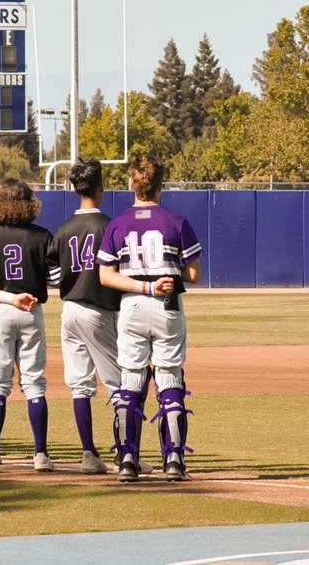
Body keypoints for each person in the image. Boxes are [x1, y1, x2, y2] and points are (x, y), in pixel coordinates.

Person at [97, 155, 201, 483]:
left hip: (134, 303)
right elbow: (194, 274)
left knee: (131, 381)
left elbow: (105, 276)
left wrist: (143, 285)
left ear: (131, 184)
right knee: (169, 378)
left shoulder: (118, 223)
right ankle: (174, 461)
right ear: (161, 186)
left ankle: (127, 459)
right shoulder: (177, 221)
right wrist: (168, 279)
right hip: (168, 304)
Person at [0, 178, 61, 474]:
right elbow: (56, 279)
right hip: (31, 310)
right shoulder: (42, 235)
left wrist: (8, 296)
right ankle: (41, 455)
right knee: (34, 383)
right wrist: (29, 285)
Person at [50, 159, 124, 474]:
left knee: (80, 385)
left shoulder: (65, 228)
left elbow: (53, 276)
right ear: (100, 187)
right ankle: (126, 452)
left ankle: (89, 454)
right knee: (121, 384)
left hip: (70, 311)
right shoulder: (110, 225)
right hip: (98, 310)